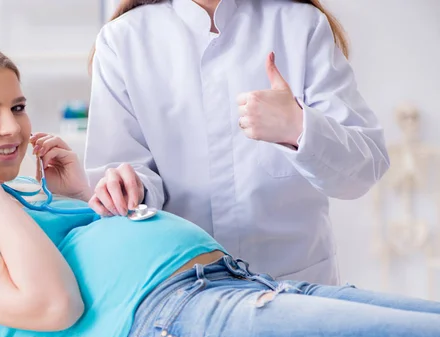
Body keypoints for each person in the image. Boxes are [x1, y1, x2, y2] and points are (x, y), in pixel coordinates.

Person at [0, 42, 439, 337]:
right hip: (183, 332)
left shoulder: (26, 199)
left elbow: (85, 264)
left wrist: (79, 198)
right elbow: (53, 306)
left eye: (17, 107)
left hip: (240, 288)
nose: (13, 128)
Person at [84, 0, 390, 285]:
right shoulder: (122, 40)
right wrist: (127, 188)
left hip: (297, 286)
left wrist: (297, 126)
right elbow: (121, 169)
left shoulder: (300, 25)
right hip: (182, 289)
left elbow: (363, 169)